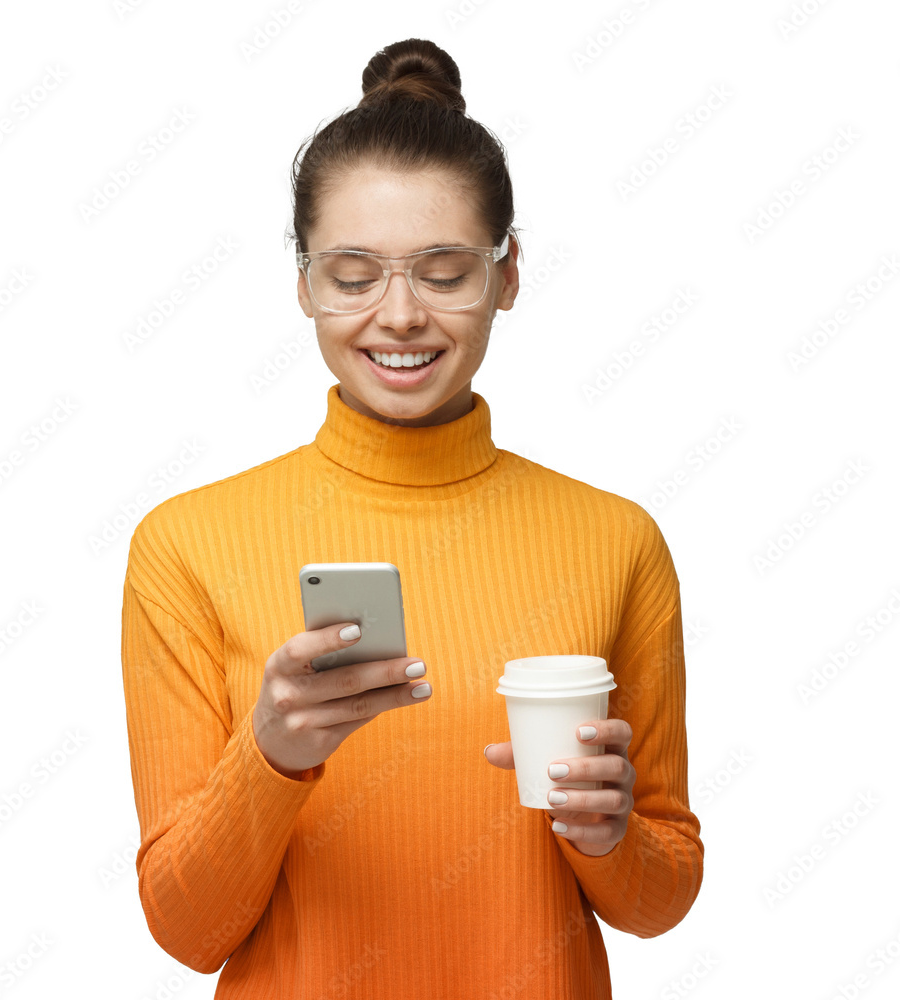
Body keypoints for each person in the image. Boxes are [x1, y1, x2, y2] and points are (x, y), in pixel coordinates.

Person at [120, 36, 703, 999]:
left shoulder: (616, 541)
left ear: (508, 275)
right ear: (303, 282)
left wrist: (610, 836)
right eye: (353, 275)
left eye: (443, 272)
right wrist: (269, 755)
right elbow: (186, 932)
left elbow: (661, 898)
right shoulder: (186, 546)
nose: (398, 316)